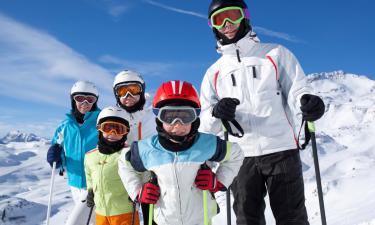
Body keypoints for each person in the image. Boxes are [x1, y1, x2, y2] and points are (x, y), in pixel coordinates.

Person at [200, 0, 326, 224]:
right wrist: (217, 114)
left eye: (233, 16)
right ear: (213, 27)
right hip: (240, 156)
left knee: (292, 218)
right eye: (219, 19)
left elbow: (298, 89)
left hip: (282, 150)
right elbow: (206, 123)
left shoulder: (275, 54)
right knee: (247, 219)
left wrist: (308, 103)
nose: (227, 24)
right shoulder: (214, 73)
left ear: (244, 16)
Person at [118, 80, 244, 225]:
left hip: (200, 220)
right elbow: (124, 163)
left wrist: (219, 181)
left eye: (186, 116)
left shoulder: (206, 144)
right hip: (163, 220)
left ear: (195, 117)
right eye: (169, 117)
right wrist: (137, 190)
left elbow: (236, 154)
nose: (177, 124)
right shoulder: (147, 149)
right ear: (159, 118)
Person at [47, 80, 100, 225]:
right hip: (74, 183)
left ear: (95, 101)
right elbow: (59, 151)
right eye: (79, 98)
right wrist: (55, 158)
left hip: (96, 183)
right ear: (72, 100)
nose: (85, 103)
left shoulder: (102, 121)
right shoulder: (65, 126)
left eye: (90, 99)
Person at [112, 70, 157, 224]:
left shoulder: (154, 114)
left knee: (154, 220)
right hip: (126, 178)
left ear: (142, 90)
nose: (128, 96)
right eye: (122, 91)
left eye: (133, 90)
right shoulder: (115, 118)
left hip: (154, 180)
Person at [84, 106, 139, 225]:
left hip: (125, 213)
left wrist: (136, 192)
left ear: (126, 133)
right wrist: (90, 190)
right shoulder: (90, 156)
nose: (112, 134)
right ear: (99, 129)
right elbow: (89, 175)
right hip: (100, 213)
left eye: (119, 129)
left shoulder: (128, 154)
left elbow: (141, 175)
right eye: (108, 128)